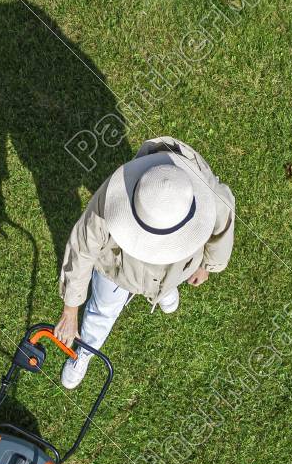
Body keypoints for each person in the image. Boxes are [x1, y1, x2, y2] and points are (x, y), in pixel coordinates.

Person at [53, 136, 234, 387]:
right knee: (103, 310)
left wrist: (207, 266)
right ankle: (85, 351)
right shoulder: (110, 200)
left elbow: (224, 220)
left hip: (176, 269)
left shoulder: (205, 191)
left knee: (172, 278)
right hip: (116, 270)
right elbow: (82, 248)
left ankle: (164, 291)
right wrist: (71, 309)